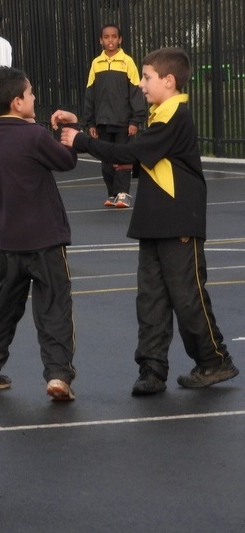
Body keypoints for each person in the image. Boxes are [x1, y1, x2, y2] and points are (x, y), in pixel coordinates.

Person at [52, 47, 238, 396]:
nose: (141, 83)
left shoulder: (174, 116)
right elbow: (143, 157)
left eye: (147, 77)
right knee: (151, 299)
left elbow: (134, 150)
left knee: (187, 297)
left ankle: (214, 360)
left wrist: (81, 141)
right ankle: (152, 370)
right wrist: (91, 134)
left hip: (179, 221)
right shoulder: (159, 116)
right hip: (154, 221)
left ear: (169, 81)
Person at [0, 66, 78, 402]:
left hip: (10, 239)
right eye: (30, 94)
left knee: (3, 306)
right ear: (17, 103)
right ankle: (57, 375)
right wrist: (70, 127)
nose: (34, 98)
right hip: (45, 238)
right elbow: (66, 160)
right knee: (54, 307)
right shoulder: (34, 135)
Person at [83, 24, 147, 208]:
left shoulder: (127, 62)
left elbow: (136, 92)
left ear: (120, 39)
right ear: (100, 40)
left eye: (114, 37)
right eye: (106, 37)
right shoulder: (96, 64)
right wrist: (91, 122)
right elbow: (90, 93)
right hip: (102, 122)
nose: (110, 40)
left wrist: (135, 119)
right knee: (106, 160)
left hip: (123, 122)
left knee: (122, 158)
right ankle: (111, 193)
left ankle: (123, 193)